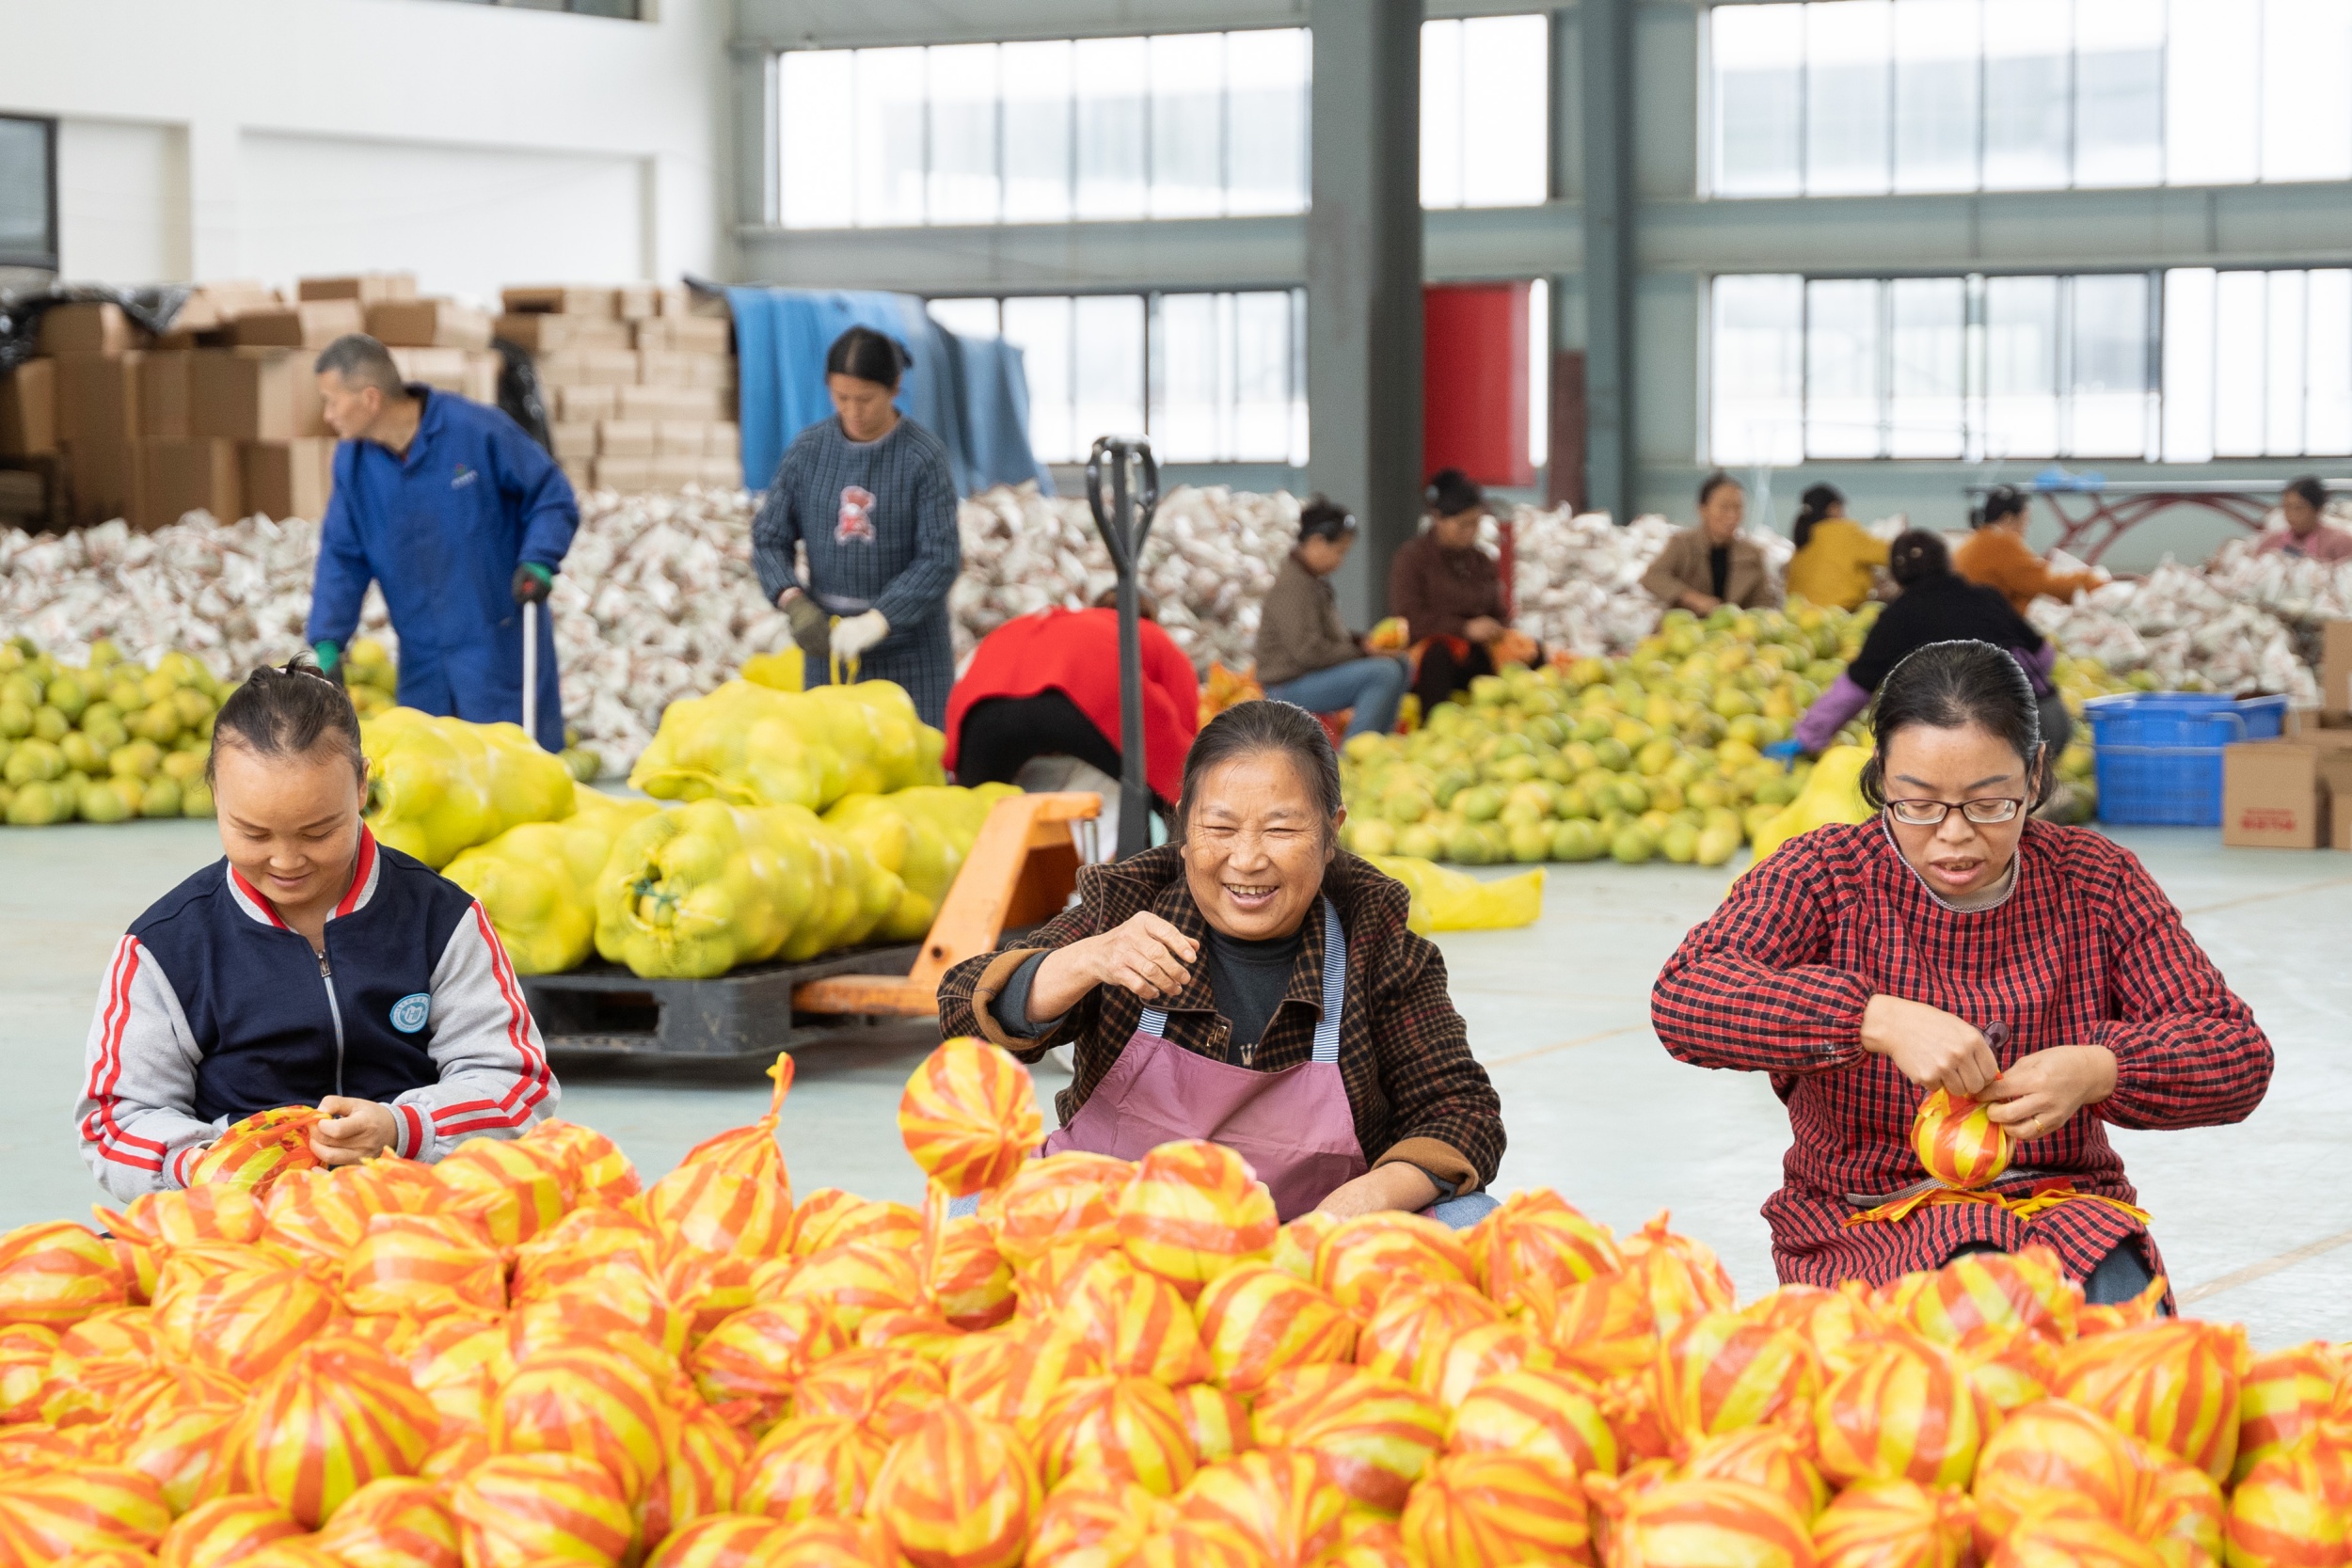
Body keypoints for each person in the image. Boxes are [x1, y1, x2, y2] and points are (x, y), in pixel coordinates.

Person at [1651, 640, 2271, 1303]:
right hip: (1866, 1216)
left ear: (2034, 775)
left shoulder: (2097, 881)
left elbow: (2235, 1053)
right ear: (1881, 776)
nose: (1952, 834)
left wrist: (2099, 1069)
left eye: (1988, 802)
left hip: (2058, 1210)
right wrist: (1872, 1018)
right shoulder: (1826, 876)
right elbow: (1687, 995)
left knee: (2126, 1338)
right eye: (1917, 802)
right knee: (1970, 1327)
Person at [937, 700, 1506, 1225]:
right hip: (1110, 1228)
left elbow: (1463, 1112)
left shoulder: (1374, 942)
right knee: (966, 1208)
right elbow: (963, 1009)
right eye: (1220, 827)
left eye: (1281, 828)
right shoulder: (1129, 904)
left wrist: (1350, 1210)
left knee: (1473, 1221)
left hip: (1299, 1247)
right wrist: (1086, 959)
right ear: (1183, 826)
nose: (1248, 859)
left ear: (1331, 832)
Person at [75, 660, 556, 1201]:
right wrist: (204, 1163)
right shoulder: (164, 948)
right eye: (252, 832)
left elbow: (517, 1085)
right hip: (240, 1228)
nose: (285, 861)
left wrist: (404, 1129)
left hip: (416, 1218)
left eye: (318, 831)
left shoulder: (442, 921)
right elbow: (115, 1122)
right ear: (215, 797)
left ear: (361, 785)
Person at [306, 334, 577, 752]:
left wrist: (540, 558)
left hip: (498, 647)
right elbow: (343, 555)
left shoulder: (474, 430)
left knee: (516, 776)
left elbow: (551, 494)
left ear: (370, 399)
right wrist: (328, 641)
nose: (327, 416)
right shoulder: (353, 464)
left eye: (332, 400)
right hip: (422, 662)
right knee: (433, 780)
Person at [752, 325, 961, 728]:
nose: (853, 411)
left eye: (865, 399)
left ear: (895, 387)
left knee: (913, 768)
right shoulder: (808, 451)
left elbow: (939, 558)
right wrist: (794, 601)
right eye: (841, 397)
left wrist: (879, 619)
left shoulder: (923, 457)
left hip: (911, 653)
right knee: (836, 764)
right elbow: (769, 537)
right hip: (827, 647)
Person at [1791, 531, 2071, 759]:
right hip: (2052, 716)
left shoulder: (1899, 616)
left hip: (2000, 734)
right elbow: (2044, 655)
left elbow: (1856, 687)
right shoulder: (1986, 597)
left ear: (1896, 576)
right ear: (1948, 564)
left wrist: (1809, 736)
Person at [946, 589, 1200, 816]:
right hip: (1073, 705)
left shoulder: (1048, 621)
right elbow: (1185, 725)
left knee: (971, 818)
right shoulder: (1146, 631)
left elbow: (965, 686)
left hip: (985, 713)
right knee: (1177, 801)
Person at [1255, 498, 1409, 739]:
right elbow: (1308, 651)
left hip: (1307, 675)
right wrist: (1362, 652)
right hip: (1287, 685)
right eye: (1339, 552)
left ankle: (1382, 741)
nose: (1341, 561)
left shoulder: (1311, 581)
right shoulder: (1294, 586)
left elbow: (1330, 639)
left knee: (1401, 664)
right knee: (1383, 673)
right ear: (1316, 542)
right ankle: (1354, 756)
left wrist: (1364, 644)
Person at [1390, 469, 1515, 716]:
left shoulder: (1481, 561)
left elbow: (1498, 611)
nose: (1470, 532)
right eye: (1462, 525)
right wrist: (1464, 628)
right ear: (1438, 518)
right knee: (1438, 657)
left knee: (1527, 653)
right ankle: (1434, 730)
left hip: (1478, 653)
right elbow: (1409, 617)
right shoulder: (1412, 559)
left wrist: (1497, 628)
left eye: (1475, 524)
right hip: (1431, 656)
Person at [1641, 472, 1785, 615]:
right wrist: (1690, 597)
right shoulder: (1682, 544)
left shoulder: (1753, 553)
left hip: (1737, 633)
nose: (1732, 515)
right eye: (1724, 507)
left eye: (1738, 507)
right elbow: (1653, 577)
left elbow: (1764, 602)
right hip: (1687, 628)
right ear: (1703, 509)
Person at [1954, 484, 2101, 615]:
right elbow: (2046, 584)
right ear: (2009, 519)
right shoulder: (2001, 542)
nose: (2026, 529)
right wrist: (2092, 579)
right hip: (1986, 628)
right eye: (2026, 521)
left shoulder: (1975, 540)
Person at [1783, 483, 1889, 610]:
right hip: (1840, 615)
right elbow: (1889, 554)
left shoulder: (1802, 541)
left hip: (1801, 618)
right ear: (1833, 508)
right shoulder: (1845, 532)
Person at [2256, 475, 2352, 563]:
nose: (2291, 514)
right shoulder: (2271, 543)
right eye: (2287, 507)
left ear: (2318, 509)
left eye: (2299, 508)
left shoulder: (2341, 543)